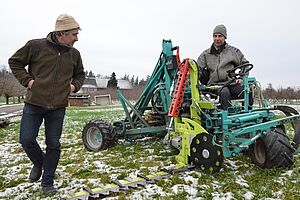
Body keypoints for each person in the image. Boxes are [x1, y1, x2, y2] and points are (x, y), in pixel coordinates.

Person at [8, 14, 85, 195]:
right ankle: (39, 162)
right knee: (26, 139)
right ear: (61, 33)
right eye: (74, 34)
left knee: (54, 144)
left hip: (58, 106)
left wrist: (73, 86)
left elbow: (80, 75)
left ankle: (47, 182)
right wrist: (28, 82)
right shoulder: (35, 46)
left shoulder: (74, 54)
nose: (76, 39)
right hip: (34, 103)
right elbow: (15, 62)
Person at [197, 24, 252, 111]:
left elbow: (245, 64)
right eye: (215, 36)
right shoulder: (206, 54)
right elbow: (197, 69)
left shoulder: (233, 52)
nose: (217, 39)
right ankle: (229, 118)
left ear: (225, 37)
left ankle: (249, 113)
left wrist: (241, 77)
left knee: (247, 92)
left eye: (220, 36)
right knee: (224, 92)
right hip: (215, 85)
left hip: (231, 83)